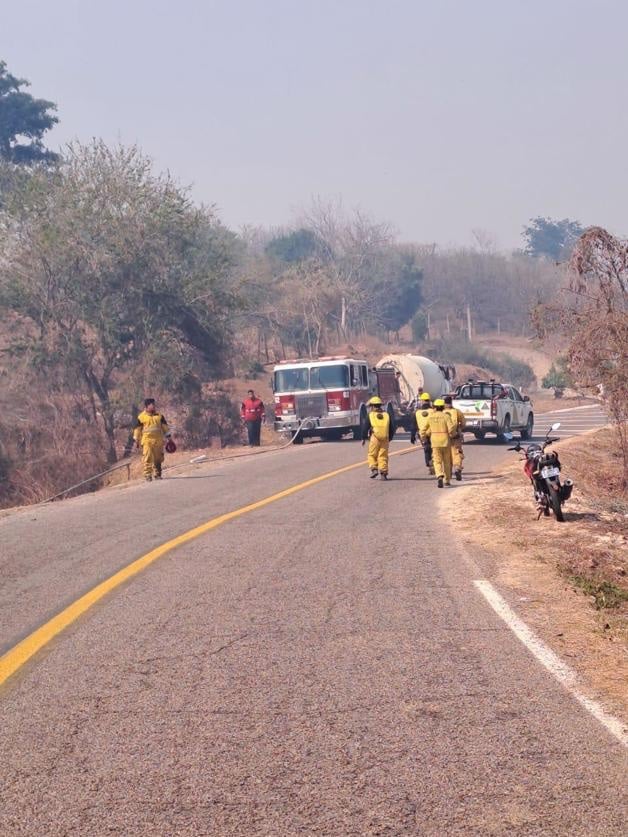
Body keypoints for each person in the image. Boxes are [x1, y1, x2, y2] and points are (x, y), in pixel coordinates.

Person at [133, 398, 172, 482]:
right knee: (147, 458)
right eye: (152, 404)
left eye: (154, 404)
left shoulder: (159, 416)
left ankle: (158, 474)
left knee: (158, 458)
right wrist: (136, 439)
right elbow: (137, 429)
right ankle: (148, 475)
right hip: (147, 441)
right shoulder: (141, 417)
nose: (154, 406)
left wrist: (169, 438)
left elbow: (165, 427)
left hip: (158, 441)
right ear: (147, 406)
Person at [361, 396, 395, 480]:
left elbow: (365, 427)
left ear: (372, 406)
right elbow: (391, 428)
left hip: (375, 438)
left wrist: (363, 438)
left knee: (372, 455)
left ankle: (374, 469)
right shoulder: (387, 415)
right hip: (385, 438)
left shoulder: (371, 415)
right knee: (383, 456)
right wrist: (389, 438)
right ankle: (383, 473)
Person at [424, 398, 455, 488]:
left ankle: (439, 475)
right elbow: (451, 428)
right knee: (447, 462)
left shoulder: (430, 417)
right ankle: (447, 480)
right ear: (443, 407)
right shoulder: (446, 417)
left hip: (435, 442)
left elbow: (424, 429)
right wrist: (453, 435)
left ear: (435, 407)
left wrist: (424, 436)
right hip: (445, 441)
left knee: (437, 461)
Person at [444, 394, 466, 481]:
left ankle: (447, 473)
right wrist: (460, 429)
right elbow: (463, 423)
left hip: (444, 437)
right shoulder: (457, 412)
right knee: (457, 453)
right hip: (455, 436)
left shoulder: (441, 412)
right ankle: (457, 468)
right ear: (451, 402)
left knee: (446, 455)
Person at [410, 392, 434, 474]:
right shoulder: (433, 411)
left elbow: (414, 426)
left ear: (422, 401)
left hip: (422, 435)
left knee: (427, 450)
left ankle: (430, 465)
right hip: (433, 434)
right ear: (429, 401)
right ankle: (434, 464)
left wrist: (412, 436)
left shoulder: (417, 413)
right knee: (434, 449)